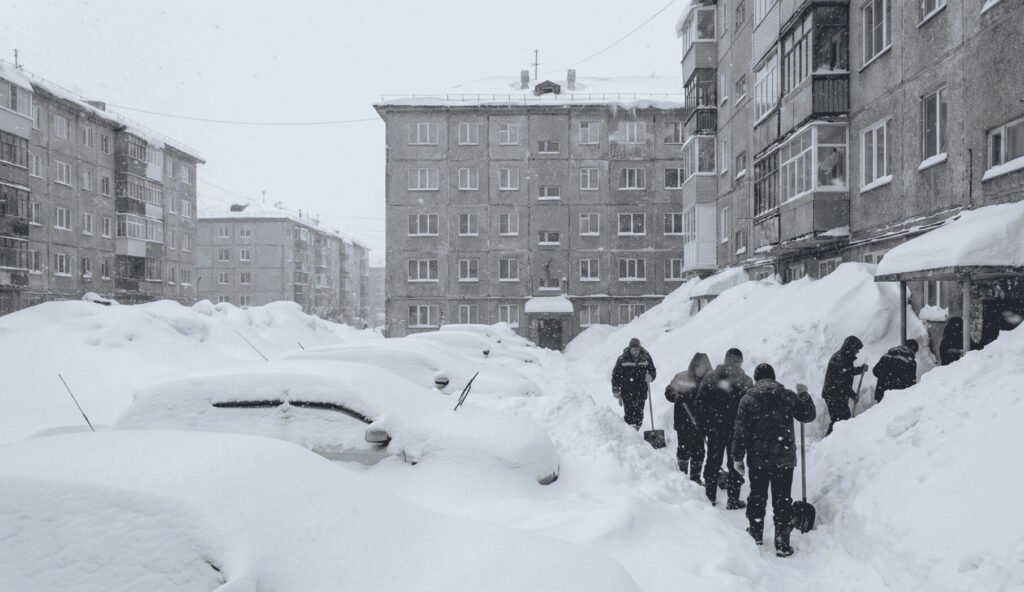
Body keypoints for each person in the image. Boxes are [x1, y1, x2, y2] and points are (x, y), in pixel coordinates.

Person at [732, 364, 816, 558]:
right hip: (783, 458)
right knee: (782, 499)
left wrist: (738, 458)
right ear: (773, 377)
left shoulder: (747, 399)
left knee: (757, 496)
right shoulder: (786, 395)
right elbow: (808, 415)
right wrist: (803, 394)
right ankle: (782, 542)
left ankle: (756, 534)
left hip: (758, 459)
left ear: (756, 378)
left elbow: (739, 432)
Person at [695, 347, 752, 508]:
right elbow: (751, 408)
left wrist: (703, 426)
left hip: (716, 430)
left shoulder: (711, 377)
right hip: (735, 431)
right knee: (735, 463)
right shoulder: (745, 381)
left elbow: (700, 403)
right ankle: (733, 500)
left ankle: (710, 497)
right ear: (740, 362)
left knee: (713, 462)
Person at [664, 352, 713, 484]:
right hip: (683, 421)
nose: (700, 369)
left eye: (703, 367)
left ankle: (695, 478)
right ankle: (682, 478)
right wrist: (676, 396)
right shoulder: (682, 377)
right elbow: (668, 391)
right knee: (684, 450)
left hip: (701, 423)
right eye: (698, 366)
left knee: (699, 452)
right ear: (693, 366)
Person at [821, 336, 868, 435]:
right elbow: (842, 381)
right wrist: (852, 395)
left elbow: (847, 373)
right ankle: (828, 444)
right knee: (840, 422)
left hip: (837, 394)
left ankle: (832, 442)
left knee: (841, 421)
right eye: (857, 349)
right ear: (851, 348)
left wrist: (859, 369)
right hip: (833, 395)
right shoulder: (840, 360)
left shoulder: (845, 357)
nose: (858, 352)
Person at [611, 337, 657, 430]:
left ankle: (636, 430)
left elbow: (653, 371)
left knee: (639, 414)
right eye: (633, 350)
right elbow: (615, 375)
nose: (635, 352)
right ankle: (630, 432)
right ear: (630, 349)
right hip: (627, 391)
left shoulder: (646, 357)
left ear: (640, 349)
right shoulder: (622, 359)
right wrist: (616, 390)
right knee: (629, 413)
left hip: (641, 390)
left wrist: (650, 377)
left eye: (637, 350)